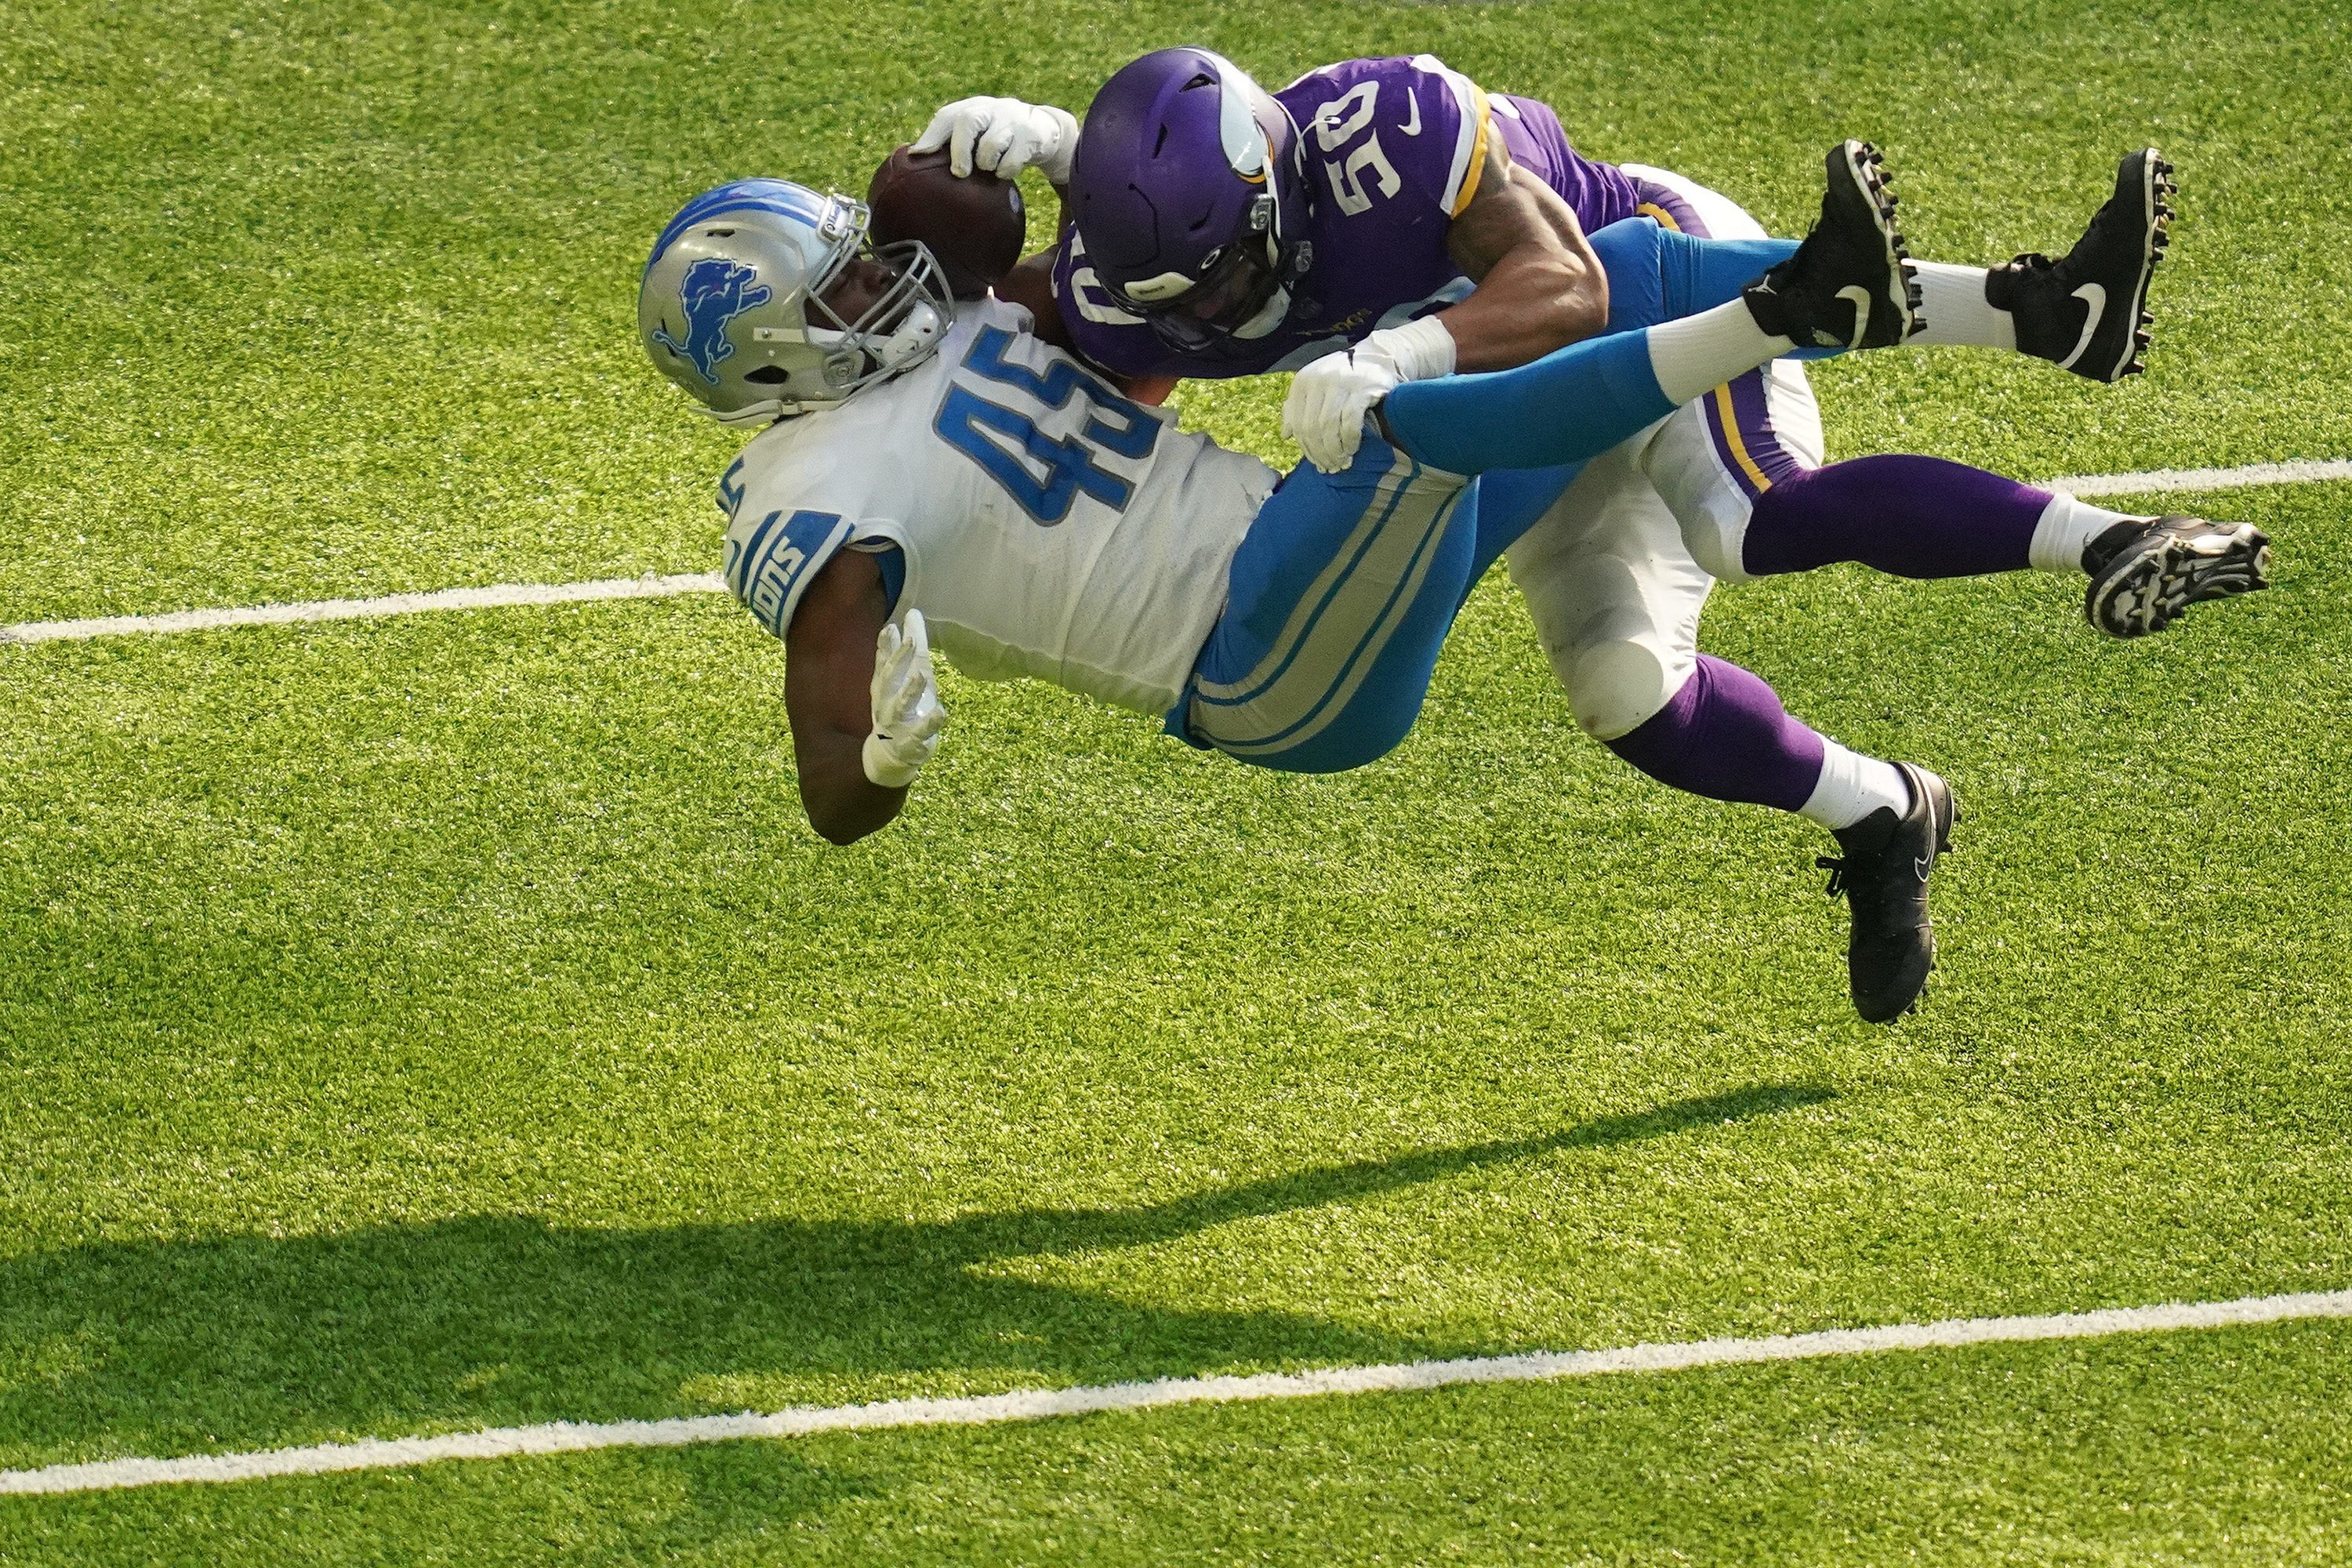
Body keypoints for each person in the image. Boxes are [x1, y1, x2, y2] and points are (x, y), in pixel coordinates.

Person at [641, 151, 2242, 1021]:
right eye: (844, 283)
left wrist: (1033, 168)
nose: (887, 279)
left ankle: (1885, 803)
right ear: (770, 356)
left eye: (862, 252)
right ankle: (1830, 310)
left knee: (1619, 655)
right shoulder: (804, 488)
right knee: (1417, 416)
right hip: (1261, 656)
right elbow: (830, 787)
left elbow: (1115, 358)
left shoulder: (962, 330)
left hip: (1324, 545)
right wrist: (879, 761)